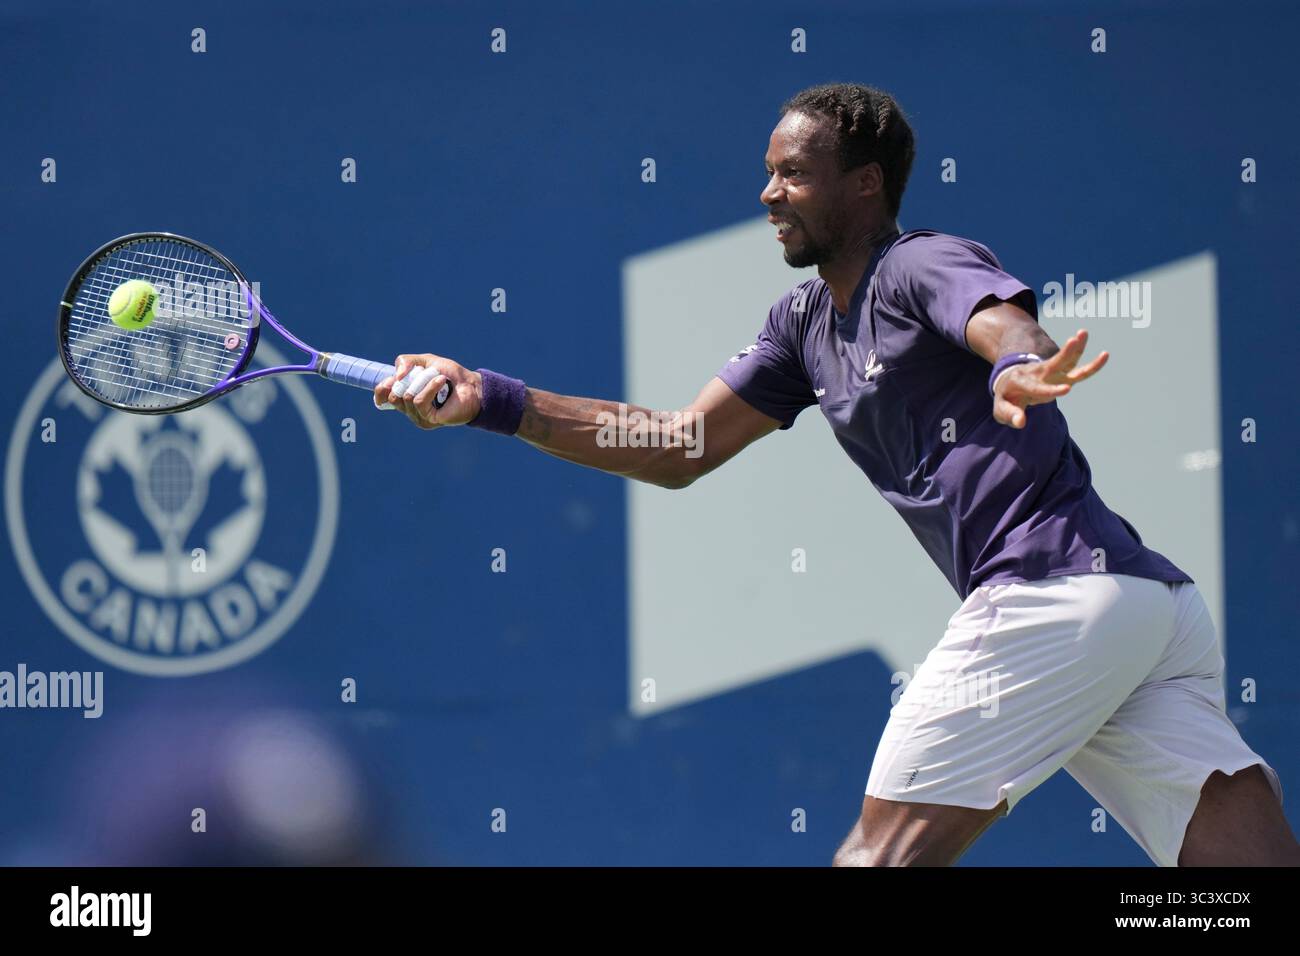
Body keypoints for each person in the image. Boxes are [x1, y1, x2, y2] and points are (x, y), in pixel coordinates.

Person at [373, 82, 1297, 867]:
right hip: (1143, 607)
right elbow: (677, 446)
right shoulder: (801, 325)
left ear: (863, 187)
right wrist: (490, 397)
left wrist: (1016, 363)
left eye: (792, 174)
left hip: (1051, 596)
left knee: (874, 860)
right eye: (770, 172)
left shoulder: (919, 263)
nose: (769, 193)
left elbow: (999, 324)